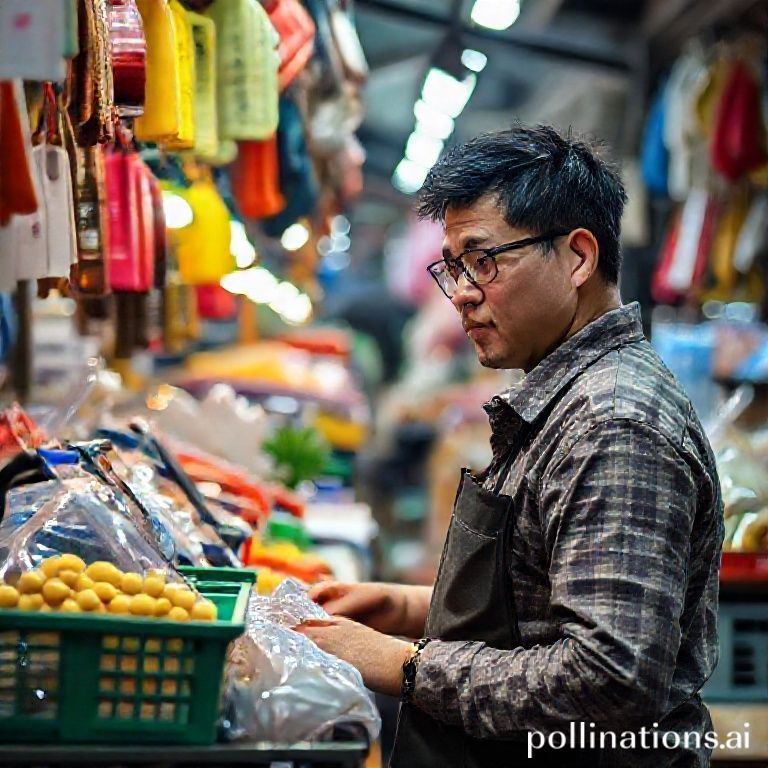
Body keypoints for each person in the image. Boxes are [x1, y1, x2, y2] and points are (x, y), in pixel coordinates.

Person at [296, 124, 724, 767]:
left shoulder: (613, 424)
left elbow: (610, 681)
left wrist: (396, 661)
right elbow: (544, 602)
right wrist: (407, 606)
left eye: (484, 260)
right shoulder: (562, 395)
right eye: (455, 268)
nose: (463, 292)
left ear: (578, 258)